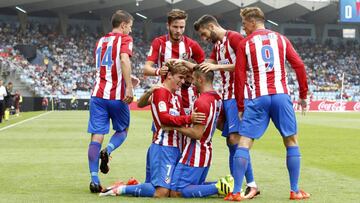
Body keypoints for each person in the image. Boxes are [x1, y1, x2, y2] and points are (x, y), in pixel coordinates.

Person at [227, 7, 310, 201]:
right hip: (281, 96)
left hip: (258, 97)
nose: (243, 28)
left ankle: (236, 192)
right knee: (291, 141)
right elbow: (299, 65)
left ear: (253, 21)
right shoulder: (281, 39)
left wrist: (240, 105)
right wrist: (303, 94)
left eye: (245, 24)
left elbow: (239, 76)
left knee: (245, 142)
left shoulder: (245, 43)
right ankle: (295, 191)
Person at [99, 63, 205, 198]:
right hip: (163, 147)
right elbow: (164, 119)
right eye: (180, 77)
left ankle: (131, 186)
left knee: (171, 188)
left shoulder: (175, 96)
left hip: (173, 147)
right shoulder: (161, 92)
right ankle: (121, 189)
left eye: (184, 78)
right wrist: (189, 118)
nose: (182, 81)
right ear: (169, 75)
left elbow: (143, 104)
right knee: (161, 192)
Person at [192, 14, 260, 199]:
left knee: (236, 140)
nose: (204, 38)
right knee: (233, 142)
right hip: (227, 97)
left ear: (212, 26)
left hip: (239, 95)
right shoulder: (217, 45)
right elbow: (209, 64)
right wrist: (189, 66)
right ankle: (238, 183)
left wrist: (217, 69)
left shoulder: (235, 38)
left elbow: (245, 65)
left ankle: (248, 185)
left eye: (204, 33)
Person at [87, 10, 134, 193]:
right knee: (123, 129)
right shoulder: (124, 39)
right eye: (129, 26)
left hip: (98, 95)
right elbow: (123, 59)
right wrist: (129, 86)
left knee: (96, 136)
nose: (130, 30)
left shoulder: (100, 41)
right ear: (123, 25)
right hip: (117, 95)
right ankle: (109, 150)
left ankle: (93, 179)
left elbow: (107, 66)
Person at [169, 65, 232, 198]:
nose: (192, 82)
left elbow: (197, 134)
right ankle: (224, 184)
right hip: (206, 150)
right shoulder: (217, 98)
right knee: (196, 184)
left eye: (193, 79)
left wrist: (173, 126)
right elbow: (219, 124)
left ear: (200, 79)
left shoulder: (202, 101)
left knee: (176, 191)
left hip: (195, 151)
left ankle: (218, 187)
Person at [143, 9, 205, 81]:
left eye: (181, 27)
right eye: (175, 27)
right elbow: (146, 69)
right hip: (166, 89)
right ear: (168, 26)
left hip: (186, 90)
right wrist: (159, 71)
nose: (178, 31)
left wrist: (186, 64)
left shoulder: (192, 44)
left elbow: (204, 68)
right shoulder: (159, 42)